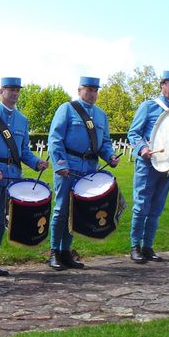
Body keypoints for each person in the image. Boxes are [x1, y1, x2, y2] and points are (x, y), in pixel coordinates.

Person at [0, 77, 49, 277]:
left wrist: (36, 162)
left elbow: (23, 151)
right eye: (10, 89)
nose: (14, 93)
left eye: (17, 90)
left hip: (11, 178)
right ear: (1, 91)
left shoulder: (22, 120)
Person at [47, 76, 119, 270]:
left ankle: (66, 252)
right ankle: (54, 252)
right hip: (68, 167)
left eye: (95, 90)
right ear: (79, 90)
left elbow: (104, 143)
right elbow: (55, 139)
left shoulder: (101, 115)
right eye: (88, 89)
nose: (92, 93)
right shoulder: (67, 109)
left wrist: (110, 157)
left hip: (89, 169)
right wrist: (60, 164)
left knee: (76, 211)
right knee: (61, 209)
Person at [127, 70, 169, 263]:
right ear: (162, 85)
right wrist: (142, 148)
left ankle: (148, 246)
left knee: (157, 207)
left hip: (168, 165)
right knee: (141, 206)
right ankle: (135, 247)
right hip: (147, 163)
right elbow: (133, 133)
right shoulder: (148, 106)